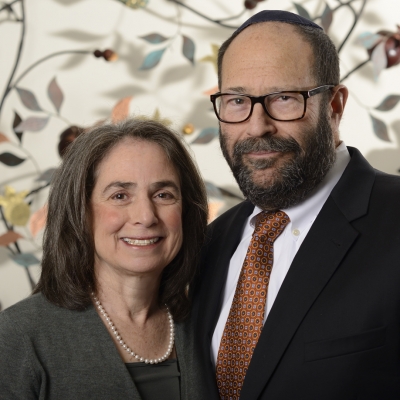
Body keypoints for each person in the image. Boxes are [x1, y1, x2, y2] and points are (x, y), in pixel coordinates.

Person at [191, 10, 400, 400]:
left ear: (334, 106)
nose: (256, 127)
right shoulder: (210, 242)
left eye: (284, 98)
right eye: (237, 101)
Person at [0, 118, 209, 399]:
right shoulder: (16, 337)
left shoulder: (210, 324)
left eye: (163, 194)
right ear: (80, 213)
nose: (146, 216)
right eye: (120, 195)